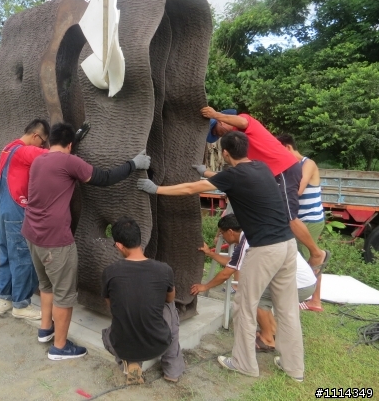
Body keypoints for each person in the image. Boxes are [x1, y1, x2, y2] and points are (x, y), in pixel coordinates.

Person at [138, 131, 305, 382]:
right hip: (288, 246)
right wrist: (206, 172)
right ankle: (295, 368)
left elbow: (190, 188)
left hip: (265, 250)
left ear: (225, 153)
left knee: (244, 307)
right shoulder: (260, 167)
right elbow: (231, 180)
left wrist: (157, 189)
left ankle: (244, 363)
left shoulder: (233, 174)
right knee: (288, 309)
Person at [22, 122, 151, 360]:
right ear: (70, 145)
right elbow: (104, 177)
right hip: (55, 240)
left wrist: (75, 137)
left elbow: (62, 158)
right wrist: (134, 164)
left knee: (46, 285)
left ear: (50, 142)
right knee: (64, 294)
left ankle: (45, 329)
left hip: (32, 233)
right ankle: (60, 347)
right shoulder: (69, 162)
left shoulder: (39, 160)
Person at [200, 106, 329, 274]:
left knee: (289, 217)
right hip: (275, 173)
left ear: (223, 121)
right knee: (279, 217)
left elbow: (243, 121)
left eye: (217, 131)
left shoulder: (245, 123)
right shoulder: (241, 145)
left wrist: (215, 114)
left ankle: (316, 253)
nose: (219, 136)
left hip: (284, 170)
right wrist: (205, 172)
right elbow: (234, 176)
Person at [192, 214, 316, 352]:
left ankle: (267, 340)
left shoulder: (247, 242)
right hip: (306, 281)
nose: (222, 237)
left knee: (256, 298)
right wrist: (210, 253)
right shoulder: (252, 234)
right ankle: (272, 331)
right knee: (260, 294)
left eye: (222, 234)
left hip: (299, 285)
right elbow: (233, 264)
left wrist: (205, 286)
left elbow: (226, 273)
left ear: (230, 232)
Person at [101, 217, 184, 385]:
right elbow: (170, 298)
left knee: (116, 323)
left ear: (119, 245)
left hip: (121, 344)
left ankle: (131, 362)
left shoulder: (110, 272)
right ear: (139, 240)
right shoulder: (164, 270)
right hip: (159, 343)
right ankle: (172, 370)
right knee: (170, 307)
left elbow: (112, 307)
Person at [0, 119, 50, 320]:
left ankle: (4, 300)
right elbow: (53, 157)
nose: (42, 146)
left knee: (6, 256)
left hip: (3, 211)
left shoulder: (8, 148)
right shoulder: (24, 151)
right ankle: (21, 305)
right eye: (42, 142)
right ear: (35, 136)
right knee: (23, 258)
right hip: (16, 213)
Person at [277, 134, 327, 312]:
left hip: (310, 220)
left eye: (279, 149)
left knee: (309, 259)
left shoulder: (308, 164)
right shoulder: (289, 166)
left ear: (288, 147)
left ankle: (314, 300)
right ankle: (314, 299)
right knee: (302, 258)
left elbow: (297, 190)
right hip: (298, 220)